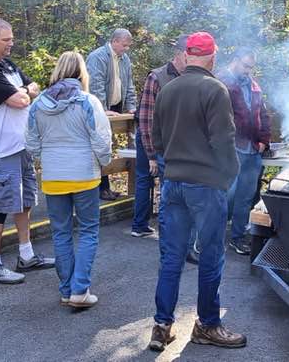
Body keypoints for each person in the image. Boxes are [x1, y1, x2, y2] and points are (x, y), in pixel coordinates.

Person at [148, 32, 246, 351]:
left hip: (173, 184)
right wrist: (229, 175)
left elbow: (157, 140)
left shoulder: (167, 89)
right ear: (212, 57)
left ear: (188, 55)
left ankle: (162, 326)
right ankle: (208, 325)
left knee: (171, 257)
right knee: (211, 256)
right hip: (205, 186)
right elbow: (223, 141)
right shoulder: (214, 89)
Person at [0, 18, 54, 285]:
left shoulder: (7, 65)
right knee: (0, 207)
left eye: (12, 39)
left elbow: (34, 86)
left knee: (25, 201)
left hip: (19, 146)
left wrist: (25, 91)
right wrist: (25, 92)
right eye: (6, 40)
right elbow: (21, 100)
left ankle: (26, 255)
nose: (11, 44)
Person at [27, 52, 112, 309]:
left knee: (61, 233)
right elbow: (101, 139)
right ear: (82, 72)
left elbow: (31, 142)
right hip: (84, 175)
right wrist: (103, 161)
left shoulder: (38, 104)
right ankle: (80, 289)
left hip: (54, 177)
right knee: (87, 231)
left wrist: (45, 159)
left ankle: (66, 290)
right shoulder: (88, 101)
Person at [131, 34, 187, 238]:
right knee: (146, 180)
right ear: (179, 54)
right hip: (152, 139)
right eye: (189, 56)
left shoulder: (189, 78)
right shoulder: (157, 77)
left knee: (165, 186)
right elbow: (146, 118)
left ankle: (153, 229)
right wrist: (151, 155)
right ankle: (142, 226)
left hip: (172, 143)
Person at [218, 48, 271, 256]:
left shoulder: (253, 85)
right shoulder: (221, 82)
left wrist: (264, 140)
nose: (248, 71)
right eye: (245, 66)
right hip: (232, 150)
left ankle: (237, 238)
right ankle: (213, 237)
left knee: (245, 198)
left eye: (251, 67)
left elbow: (263, 114)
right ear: (235, 60)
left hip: (252, 151)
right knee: (225, 196)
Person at [86, 28, 137, 201]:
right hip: (99, 109)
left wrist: (131, 107)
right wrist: (101, 109)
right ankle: (100, 188)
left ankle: (106, 187)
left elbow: (129, 84)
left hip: (115, 107)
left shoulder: (125, 59)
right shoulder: (98, 57)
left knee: (108, 146)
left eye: (128, 46)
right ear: (114, 41)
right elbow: (95, 85)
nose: (126, 49)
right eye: (124, 45)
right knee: (99, 146)